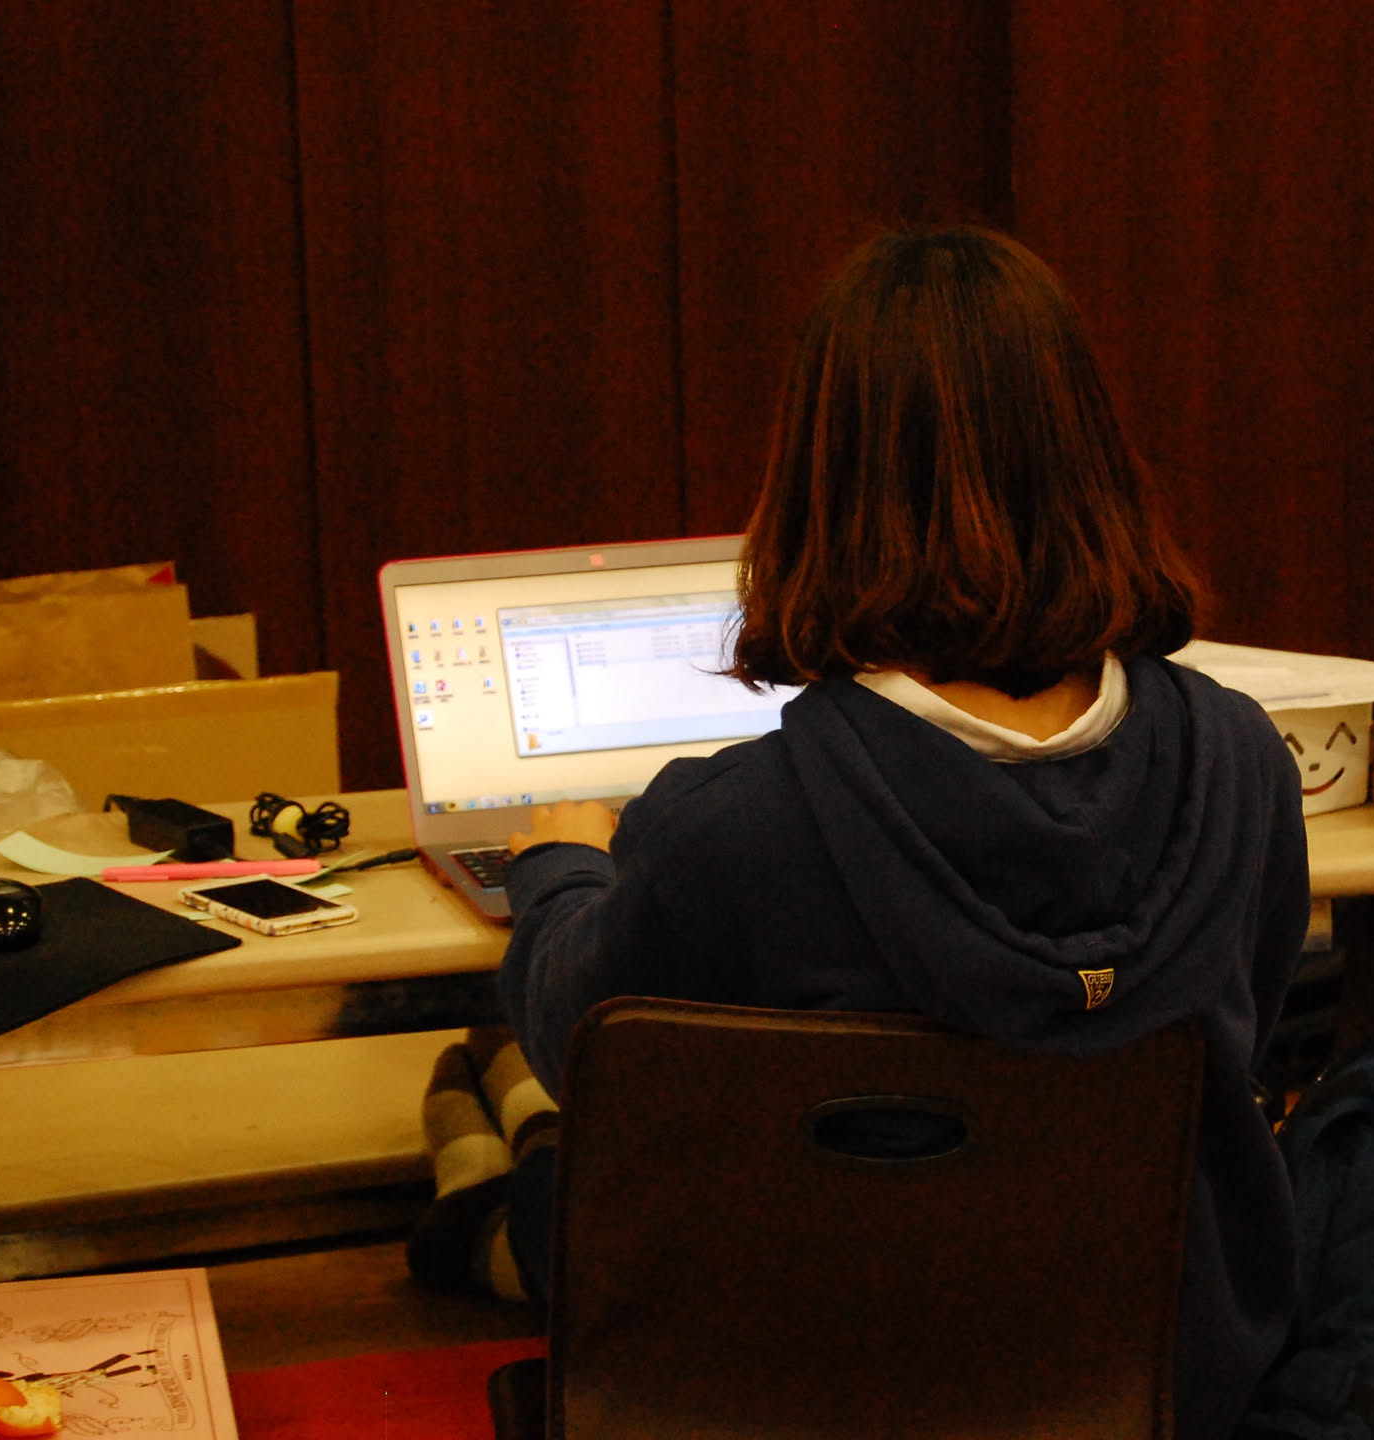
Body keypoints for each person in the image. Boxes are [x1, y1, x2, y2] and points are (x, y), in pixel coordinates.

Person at [442, 225, 1308, 1440]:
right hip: (1156, 1376)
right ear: (1091, 461)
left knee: (561, 1146)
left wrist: (558, 866)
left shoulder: (734, 824)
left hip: (794, 1385)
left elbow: (582, 1042)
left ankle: (484, 1183)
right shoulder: (1243, 763)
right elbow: (1248, 1022)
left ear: (818, 486)